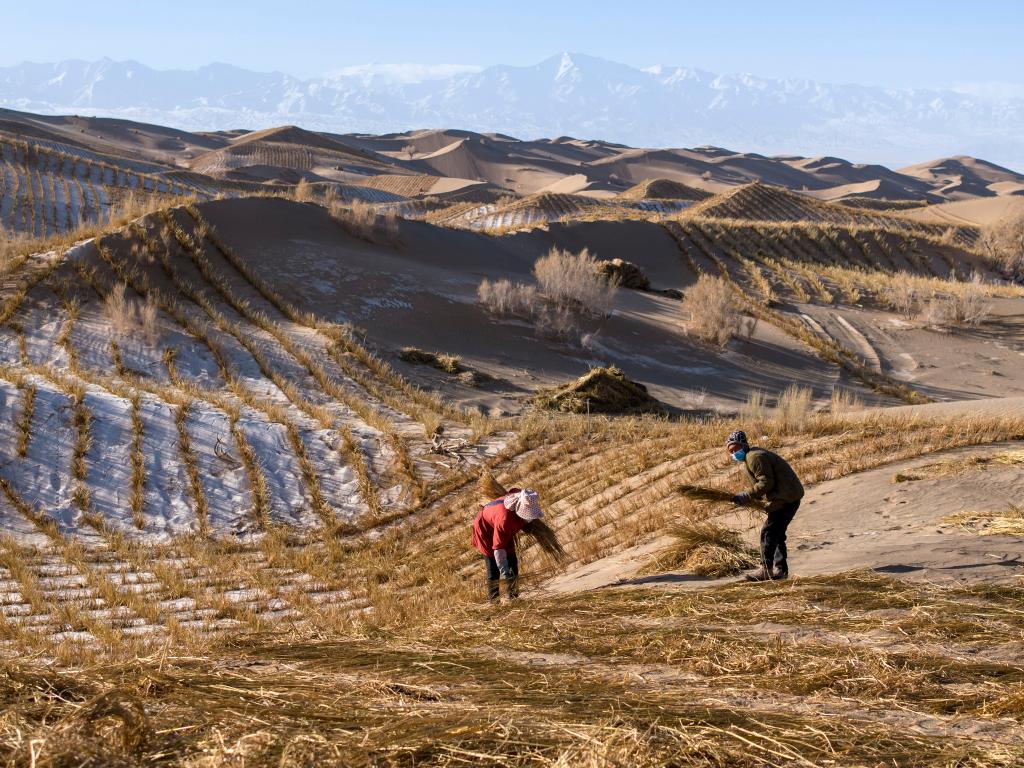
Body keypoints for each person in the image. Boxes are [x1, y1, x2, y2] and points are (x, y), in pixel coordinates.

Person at [727, 430, 804, 581]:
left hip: (786, 498)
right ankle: (781, 571)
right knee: (777, 534)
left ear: (744, 444)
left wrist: (747, 495)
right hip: (789, 496)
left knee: (768, 533)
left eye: (736, 448)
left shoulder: (755, 457)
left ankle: (766, 569)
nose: (734, 452)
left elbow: (766, 482)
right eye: (731, 451)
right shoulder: (750, 457)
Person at [472, 487, 543, 601]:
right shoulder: (505, 520)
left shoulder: (522, 497)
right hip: (485, 531)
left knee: (512, 562)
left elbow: (514, 490)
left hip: (502, 527)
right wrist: (504, 572)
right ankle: (494, 601)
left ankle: (513, 598)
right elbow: (498, 548)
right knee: (493, 569)